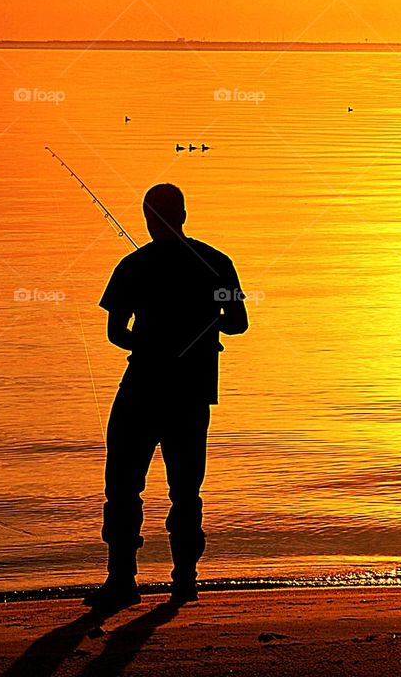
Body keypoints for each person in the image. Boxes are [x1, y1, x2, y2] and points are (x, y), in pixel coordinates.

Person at [84, 183, 248, 612]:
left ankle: (122, 582)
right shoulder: (217, 264)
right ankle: (185, 582)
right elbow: (239, 324)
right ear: (184, 214)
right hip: (192, 393)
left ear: (147, 218)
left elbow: (116, 333)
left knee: (122, 487)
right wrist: (203, 326)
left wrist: (151, 342)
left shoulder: (134, 266)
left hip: (142, 386)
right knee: (186, 490)